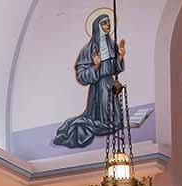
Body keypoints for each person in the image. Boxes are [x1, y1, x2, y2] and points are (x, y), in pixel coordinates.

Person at [53, 14, 127, 149]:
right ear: (97, 27)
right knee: (104, 114)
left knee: (115, 118)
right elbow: (81, 75)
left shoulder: (111, 45)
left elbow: (114, 68)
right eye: (104, 23)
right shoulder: (88, 50)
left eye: (109, 23)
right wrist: (96, 66)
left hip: (110, 83)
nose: (108, 25)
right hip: (99, 87)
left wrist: (120, 57)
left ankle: (111, 123)